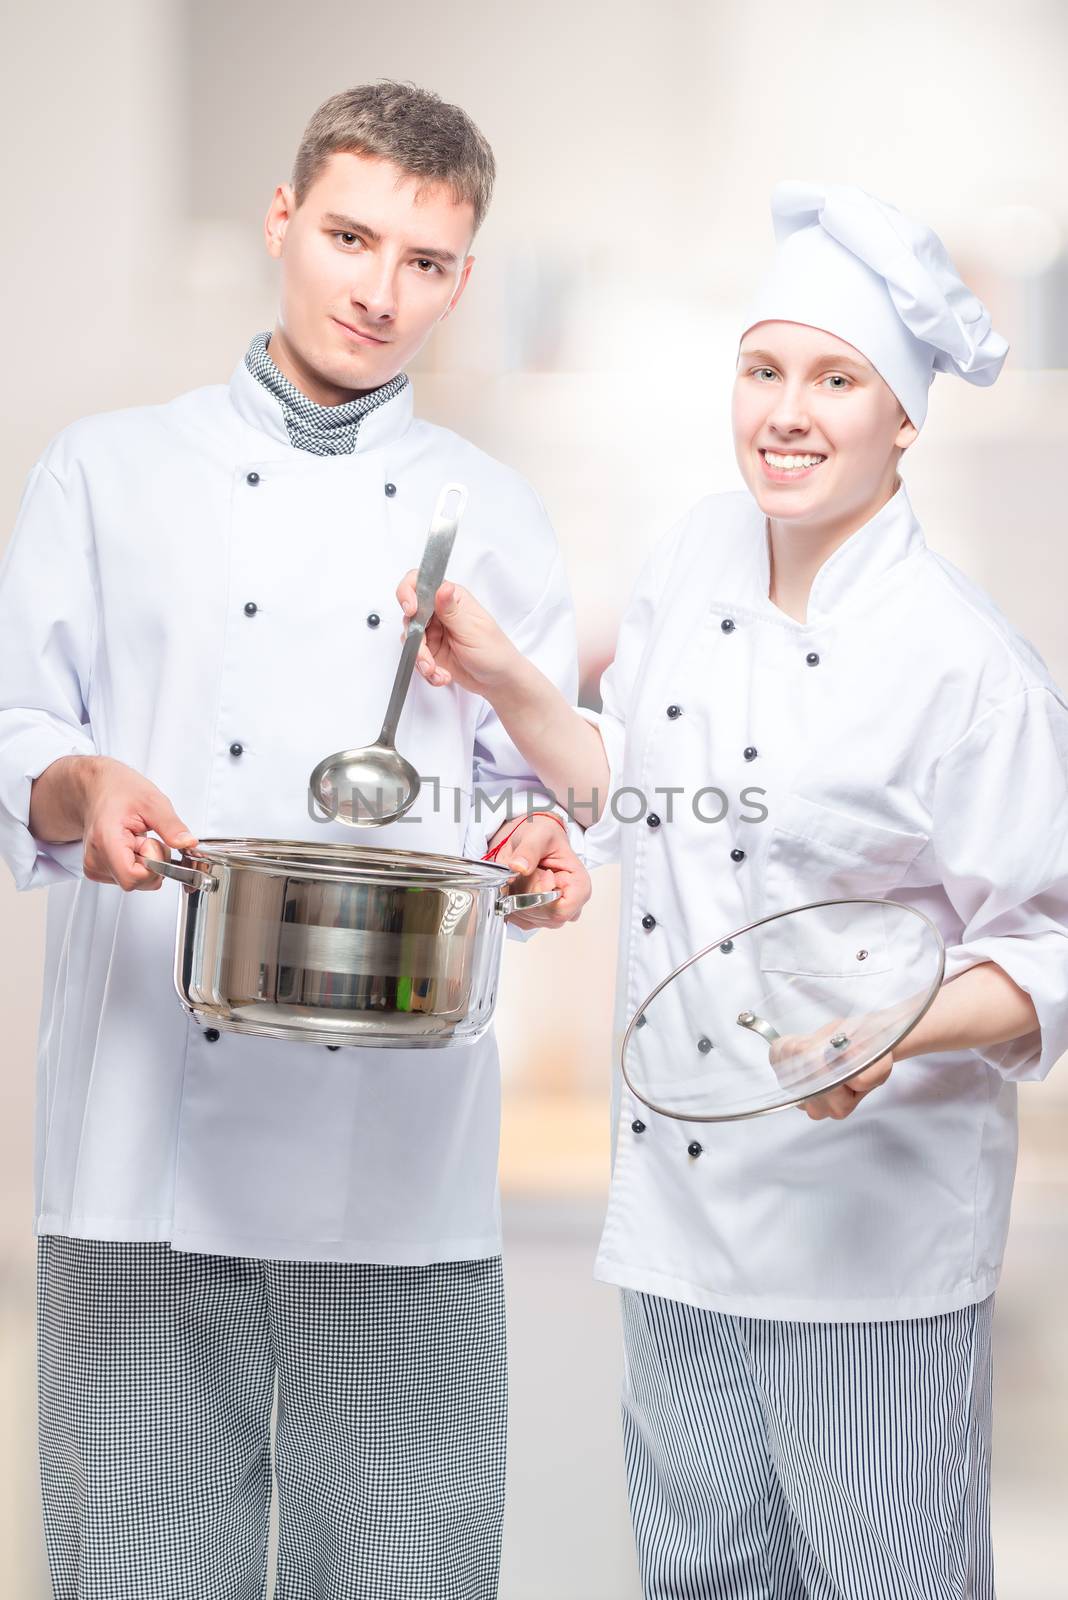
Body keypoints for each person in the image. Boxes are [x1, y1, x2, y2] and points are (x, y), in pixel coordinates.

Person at [397, 182, 1068, 1598]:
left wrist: (892, 1031)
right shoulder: (698, 549)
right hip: (682, 1222)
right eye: (763, 370)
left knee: (883, 1579)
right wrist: (513, 675)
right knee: (700, 1577)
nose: (786, 412)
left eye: (835, 379)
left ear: (903, 419)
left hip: (869, 1247)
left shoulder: (966, 666)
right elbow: (633, 784)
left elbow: (1049, 946)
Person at [0, 81, 589, 1600]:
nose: (379, 293)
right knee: (134, 1574)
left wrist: (526, 845)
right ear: (283, 219)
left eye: (429, 262)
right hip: (144, 1145)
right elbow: (17, 735)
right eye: (348, 236)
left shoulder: (498, 513)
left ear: (466, 276)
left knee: (410, 1573)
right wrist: (81, 786)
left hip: (392, 1158)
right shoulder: (105, 472)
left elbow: (523, 793)